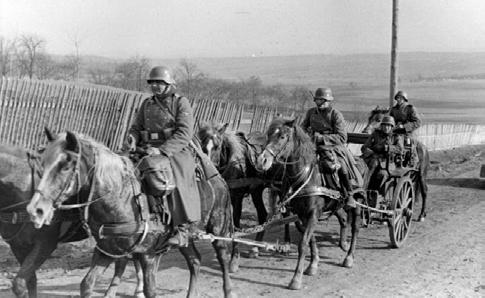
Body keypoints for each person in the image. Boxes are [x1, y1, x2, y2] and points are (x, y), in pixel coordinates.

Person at [127, 66, 200, 247]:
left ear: (169, 85)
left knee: (176, 176)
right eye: (153, 83)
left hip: (174, 150)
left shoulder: (180, 103)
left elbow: (184, 133)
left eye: (160, 83)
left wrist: (162, 150)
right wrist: (132, 138)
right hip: (147, 149)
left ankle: (182, 228)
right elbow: (136, 127)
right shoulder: (147, 104)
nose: (155, 86)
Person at [301, 87, 363, 209]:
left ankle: (348, 194)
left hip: (333, 147)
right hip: (312, 145)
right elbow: (302, 128)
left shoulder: (336, 114)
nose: (320, 103)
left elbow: (342, 137)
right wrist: (305, 136)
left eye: (322, 100)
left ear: (328, 101)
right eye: (317, 100)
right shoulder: (311, 113)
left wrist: (322, 138)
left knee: (338, 164)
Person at [361, 116, 404, 190]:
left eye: (388, 125)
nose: (386, 127)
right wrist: (369, 151)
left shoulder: (395, 136)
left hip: (388, 163)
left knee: (382, 174)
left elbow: (400, 149)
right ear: (382, 126)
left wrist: (387, 148)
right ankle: (362, 188)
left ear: (391, 127)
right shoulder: (375, 134)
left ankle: (374, 191)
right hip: (373, 159)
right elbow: (364, 147)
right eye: (384, 125)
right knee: (361, 168)